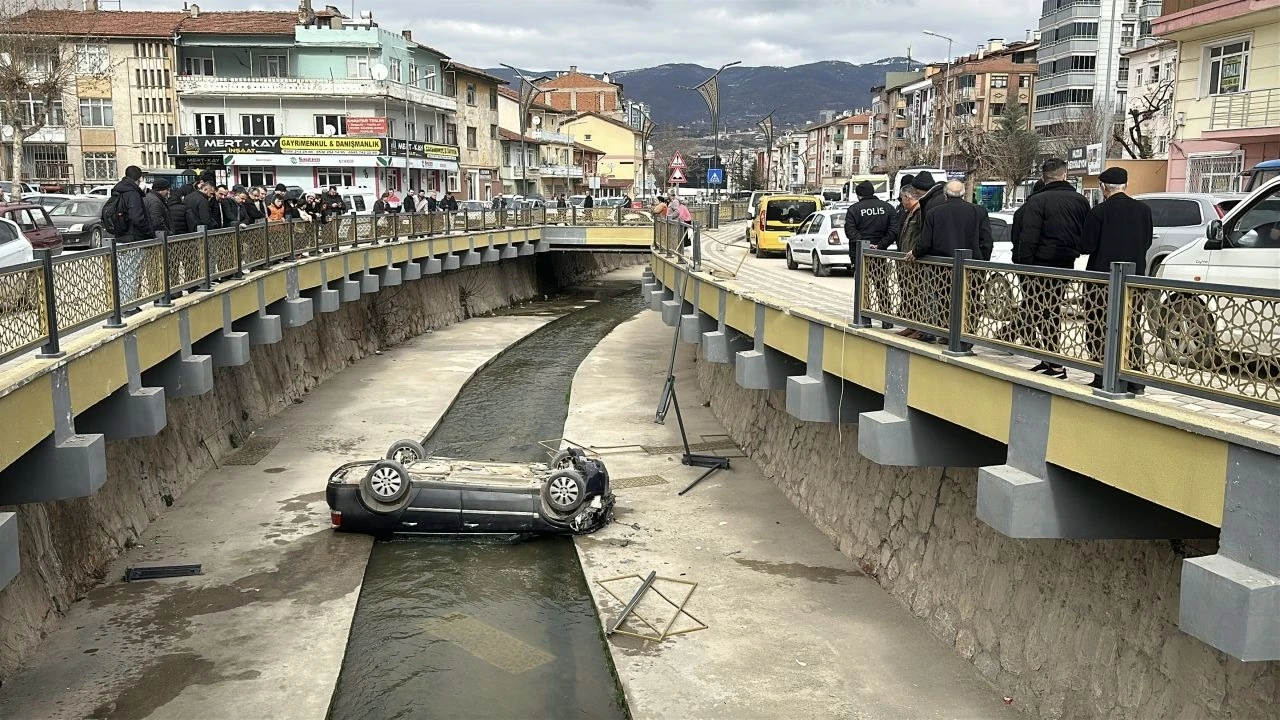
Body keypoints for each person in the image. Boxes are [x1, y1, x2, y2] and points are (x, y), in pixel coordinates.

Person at [1015, 158, 1091, 378]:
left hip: (1041, 265)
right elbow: (1085, 233)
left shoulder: (1038, 201)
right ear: (1065, 175)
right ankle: (1050, 360)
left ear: (1043, 177)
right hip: (1066, 262)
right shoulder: (1080, 201)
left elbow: (1028, 237)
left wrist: (1026, 266)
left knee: (1044, 312)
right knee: (1051, 309)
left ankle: (1054, 362)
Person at [1081, 167, 1153, 393]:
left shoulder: (1099, 212)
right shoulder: (1143, 210)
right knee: (1130, 325)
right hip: (1133, 280)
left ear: (1103, 187)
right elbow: (1147, 241)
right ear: (1126, 185)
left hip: (1101, 281)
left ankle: (1102, 375)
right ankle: (1135, 379)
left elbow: (1087, 246)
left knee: (1098, 325)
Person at [107, 166, 153, 312]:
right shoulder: (133, 194)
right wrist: (149, 232)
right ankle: (129, 306)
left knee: (123, 273)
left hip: (120, 237)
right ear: (139, 178)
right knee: (132, 272)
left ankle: (122, 305)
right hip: (134, 238)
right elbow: (137, 217)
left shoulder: (117, 190)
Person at [845, 180, 899, 250]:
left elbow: (850, 231)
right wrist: (881, 245)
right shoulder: (888, 208)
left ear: (859, 196)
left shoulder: (853, 209)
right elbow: (894, 230)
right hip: (880, 252)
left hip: (858, 251)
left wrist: (865, 245)